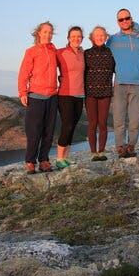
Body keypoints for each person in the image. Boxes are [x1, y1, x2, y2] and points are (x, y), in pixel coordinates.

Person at [106, 8, 139, 158]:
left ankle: (131, 146)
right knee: (119, 119)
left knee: (135, 119)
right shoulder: (113, 40)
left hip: (137, 84)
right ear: (117, 22)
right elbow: (103, 57)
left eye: (127, 18)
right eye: (121, 19)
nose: (124, 21)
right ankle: (120, 146)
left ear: (131, 19)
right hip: (119, 84)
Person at [18, 21, 58, 174]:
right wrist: (22, 92)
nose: (48, 35)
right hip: (35, 96)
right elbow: (24, 73)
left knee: (49, 131)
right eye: (45, 32)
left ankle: (44, 160)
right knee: (34, 132)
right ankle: (30, 161)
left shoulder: (54, 51)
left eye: (50, 32)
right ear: (39, 33)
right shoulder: (31, 51)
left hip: (52, 96)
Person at [55, 26, 85, 169]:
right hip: (65, 95)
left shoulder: (82, 53)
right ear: (68, 38)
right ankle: (59, 158)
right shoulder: (60, 53)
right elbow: (47, 66)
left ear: (82, 38)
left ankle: (66, 157)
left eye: (79, 36)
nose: (76, 39)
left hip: (80, 95)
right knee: (66, 126)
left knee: (72, 126)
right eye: (73, 36)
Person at [84, 26, 115, 161]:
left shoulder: (111, 53)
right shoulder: (86, 53)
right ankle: (93, 153)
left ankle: (101, 151)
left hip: (105, 92)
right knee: (92, 123)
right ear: (92, 37)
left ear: (106, 36)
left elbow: (117, 69)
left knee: (102, 123)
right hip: (90, 93)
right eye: (97, 35)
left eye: (102, 35)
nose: (99, 37)